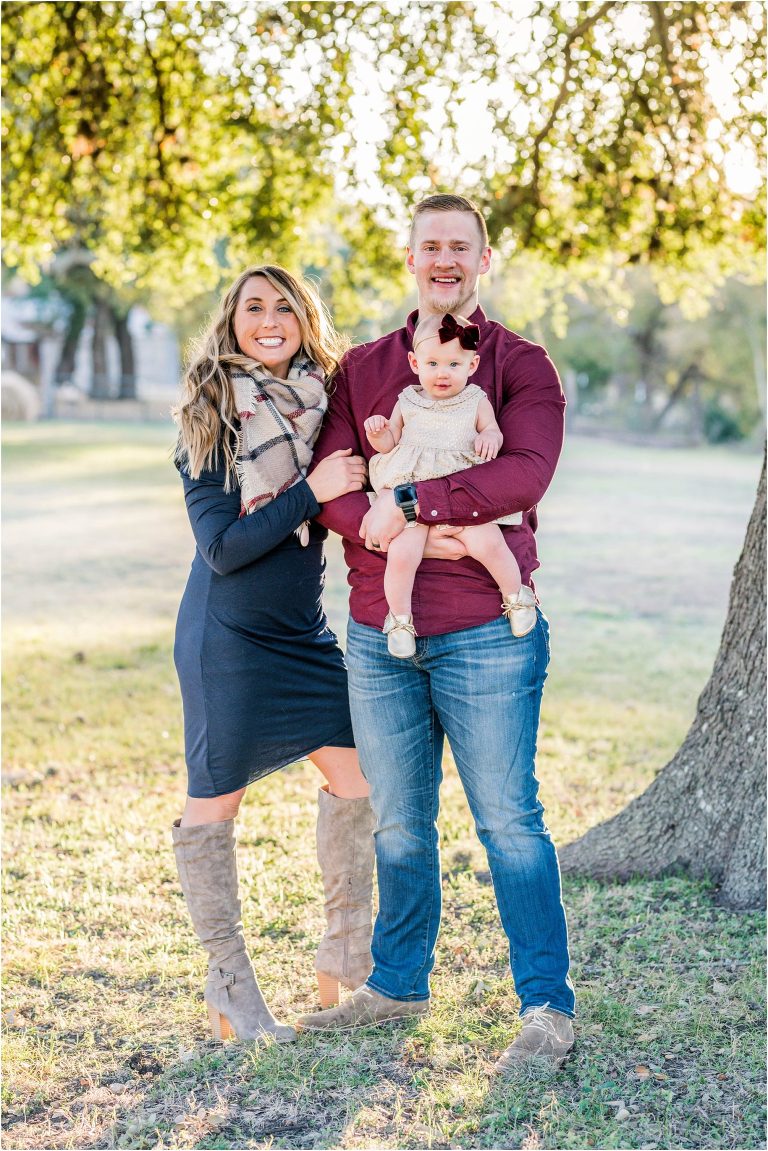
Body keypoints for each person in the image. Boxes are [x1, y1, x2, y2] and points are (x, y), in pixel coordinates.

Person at [297, 194, 576, 1072]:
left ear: (483, 261)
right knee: (401, 824)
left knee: (510, 821)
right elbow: (334, 477)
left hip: (492, 628)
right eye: (431, 246)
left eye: (462, 246)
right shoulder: (367, 367)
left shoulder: (524, 366)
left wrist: (414, 503)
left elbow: (525, 473)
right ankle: (397, 984)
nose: (445, 258)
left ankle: (546, 1007)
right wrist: (374, 516)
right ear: (410, 259)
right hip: (383, 630)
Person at [171, 264, 375, 1045]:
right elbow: (224, 548)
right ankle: (230, 986)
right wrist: (312, 490)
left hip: (301, 634)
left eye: (284, 306)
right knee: (215, 804)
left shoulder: (321, 406)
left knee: (356, 780)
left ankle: (345, 955)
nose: (269, 318)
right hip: (228, 639)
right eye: (253, 306)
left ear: (304, 321)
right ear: (232, 321)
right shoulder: (211, 414)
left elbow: (352, 487)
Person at [364, 310, 536, 657]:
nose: (442, 374)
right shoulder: (407, 400)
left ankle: (516, 596)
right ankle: (399, 620)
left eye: (454, 365)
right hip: (410, 491)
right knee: (402, 554)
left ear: (472, 366)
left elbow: (493, 431)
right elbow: (390, 442)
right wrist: (380, 432)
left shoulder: (475, 400)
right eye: (433, 364)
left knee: (488, 543)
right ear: (415, 363)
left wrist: (489, 437)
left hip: (458, 492)